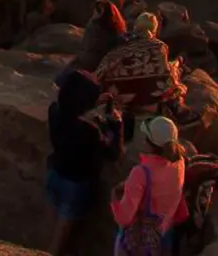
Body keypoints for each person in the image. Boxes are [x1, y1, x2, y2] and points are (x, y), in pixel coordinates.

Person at [47, 70, 122, 256]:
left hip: (55, 173)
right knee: (62, 231)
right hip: (76, 185)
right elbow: (113, 153)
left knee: (55, 218)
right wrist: (116, 126)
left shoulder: (54, 111)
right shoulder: (89, 131)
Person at [111, 117, 188, 256]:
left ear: (150, 144)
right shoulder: (179, 162)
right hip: (164, 233)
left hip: (140, 239)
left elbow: (124, 219)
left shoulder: (140, 173)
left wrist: (114, 196)